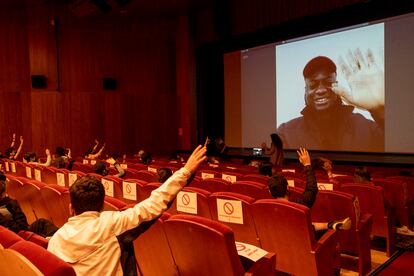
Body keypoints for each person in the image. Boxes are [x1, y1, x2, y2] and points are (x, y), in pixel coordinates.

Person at [47, 145, 207, 275]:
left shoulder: (55, 241)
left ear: (71, 208)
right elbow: (153, 204)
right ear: (102, 205)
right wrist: (185, 171)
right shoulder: (110, 225)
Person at [277, 54, 384, 151]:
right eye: (313, 85)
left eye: (328, 82)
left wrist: (379, 109)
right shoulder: (286, 133)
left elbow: (395, 145)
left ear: (336, 85)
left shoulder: (365, 128)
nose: (321, 90)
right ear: (306, 91)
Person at [268, 148, 351, 232]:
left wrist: (330, 225)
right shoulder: (299, 206)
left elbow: (306, 226)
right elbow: (311, 188)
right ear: (288, 187)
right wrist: (307, 164)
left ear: (270, 192)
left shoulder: (266, 210)